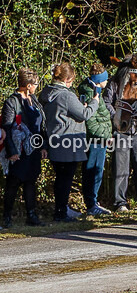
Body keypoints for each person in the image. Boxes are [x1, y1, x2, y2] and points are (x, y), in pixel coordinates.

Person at [40, 63, 99, 222]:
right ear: (66, 79)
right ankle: (61, 213)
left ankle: (60, 210)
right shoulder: (66, 95)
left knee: (60, 178)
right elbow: (84, 114)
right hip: (68, 142)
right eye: (72, 80)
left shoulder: (46, 93)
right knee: (65, 179)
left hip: (54, 139)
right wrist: (94, 102)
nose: (72, 83)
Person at [102, 69, 137, 213]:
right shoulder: (114, 83)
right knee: (121, 168)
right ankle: (120, 202)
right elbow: (106, 102)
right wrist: (117, 117)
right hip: (121, 130)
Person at [1, 69, 45, 228]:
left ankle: (31, 215)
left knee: (31, 181)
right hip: (18, 149)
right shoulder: (11, 102)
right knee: (13, 183)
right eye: (35, 84)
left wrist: (43, 146)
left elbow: (41, 125)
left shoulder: (34, 100)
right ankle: (7, 217)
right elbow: (6, 128)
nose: (37, 86)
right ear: (28, 85)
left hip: (33, 147)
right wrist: (11, 151)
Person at [77, 63, 113, 216]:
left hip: (101, 138)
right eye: (105, 78)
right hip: (94, 139)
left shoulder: (96, 90)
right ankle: (91, 204)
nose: (107, 81)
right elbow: (91, 122)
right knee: (92, 171)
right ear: (100, 80)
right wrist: (105, 136)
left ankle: (94, 201)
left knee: (97, 171)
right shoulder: (89, 92)